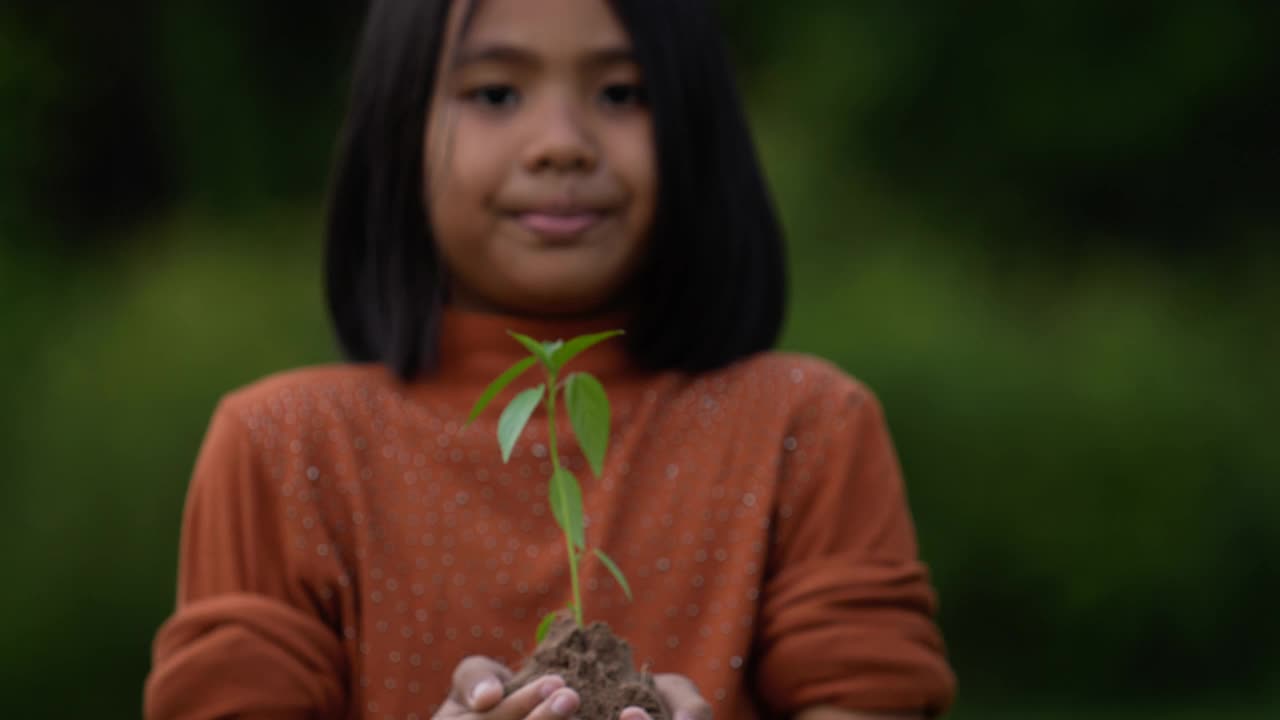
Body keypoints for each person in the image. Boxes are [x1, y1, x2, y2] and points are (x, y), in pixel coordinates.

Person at [143, 0, 956, 718]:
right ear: (396, 128)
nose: (562, 144)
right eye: (495, 93)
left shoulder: (806, 426)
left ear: (695, 121)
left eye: (621, 93)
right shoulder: (284, 445)